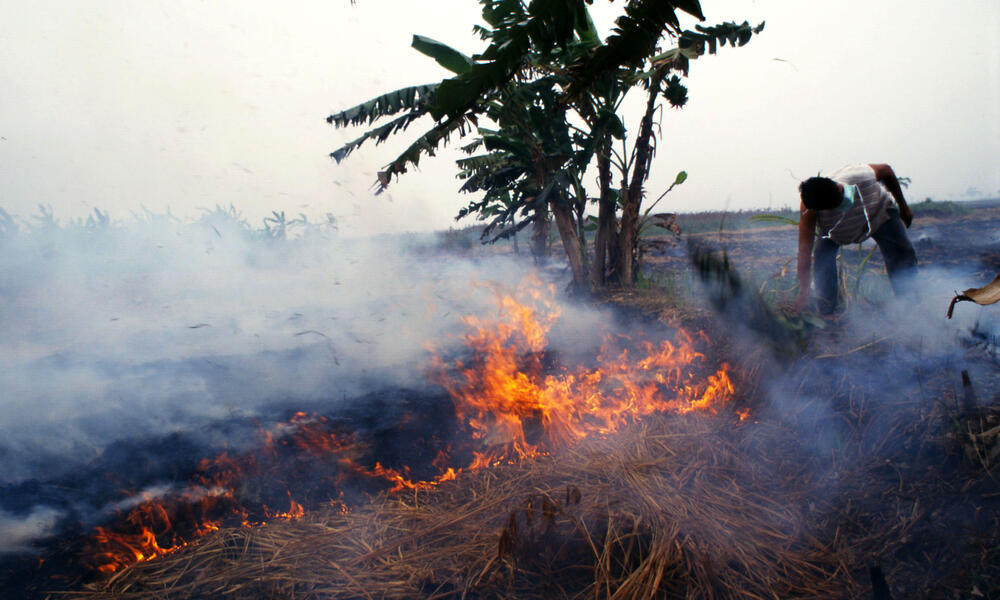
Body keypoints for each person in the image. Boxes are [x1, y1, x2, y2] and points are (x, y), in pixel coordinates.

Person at [795, 163, 917, 314]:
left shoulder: (861, 176)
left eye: (838, 202)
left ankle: (911, 306)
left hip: (878, 213)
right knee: (822, 259)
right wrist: (804, 291)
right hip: (835, 231)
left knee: (901, 253)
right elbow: (804, 251)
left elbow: (886, 170)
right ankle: (825, 309)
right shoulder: (810, 207)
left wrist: (904, 208)